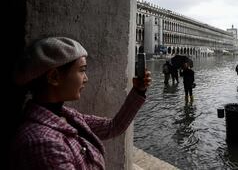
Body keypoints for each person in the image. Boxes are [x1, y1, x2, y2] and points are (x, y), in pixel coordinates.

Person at [9, 36, 151, 169]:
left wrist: (138, 91)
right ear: (54, 77)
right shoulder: (42, 145)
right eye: (82, 70)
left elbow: (112, 127)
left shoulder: (67, 116)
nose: (86, 78)